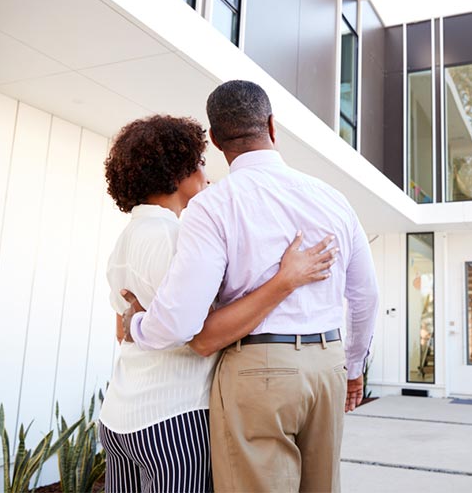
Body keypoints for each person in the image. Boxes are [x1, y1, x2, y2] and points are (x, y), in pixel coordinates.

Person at [123, 80, 379, 492]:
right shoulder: (333, 199)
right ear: (272, 127)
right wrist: (353, 370)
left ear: (215, 140)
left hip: (257, 369)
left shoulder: (213, 205)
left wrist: (134, 325)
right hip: (327, 364)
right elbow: (366, 296)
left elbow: (180, 322)